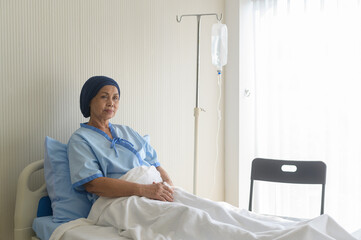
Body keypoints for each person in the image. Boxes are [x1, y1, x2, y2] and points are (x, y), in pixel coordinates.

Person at [67, 76, 174, 204]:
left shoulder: (127, 131)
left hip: (156, 192)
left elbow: (156, 165)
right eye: (104, 97)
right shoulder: (80, 139)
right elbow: (93, 184)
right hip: (119, 201)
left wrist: (169, 187)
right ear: (89, 100)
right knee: (188, 216)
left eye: (115, 98)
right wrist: (145, 190)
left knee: (200, 208)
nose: (111, 103)